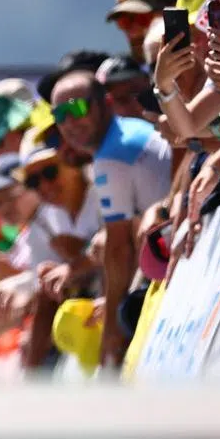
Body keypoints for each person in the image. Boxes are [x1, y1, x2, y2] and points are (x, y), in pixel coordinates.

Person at [49, 70, 171, 369]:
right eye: (60, 114)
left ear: (105, 103)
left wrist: (112, 333)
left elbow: (119, 249)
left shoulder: (111, 156)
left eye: (77, 108)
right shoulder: (128, 129)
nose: (69, 122)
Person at [105, 0, 178, 65]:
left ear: (173, 14)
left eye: (143, 18)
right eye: (124, 21)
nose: (133, 33)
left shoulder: (195, 64)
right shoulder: (119, 70)